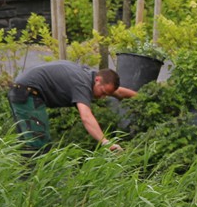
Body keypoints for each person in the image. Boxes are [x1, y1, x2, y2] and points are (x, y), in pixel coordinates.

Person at [8, 60, 137, 154]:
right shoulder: (82, 84)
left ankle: (29, 177)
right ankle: (30, 179)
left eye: (107, 94)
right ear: (97, 80)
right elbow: (86, 117)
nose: (103, 97)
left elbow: (119, 92)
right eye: (103, 92)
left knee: (31, 141)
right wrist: (105, 142)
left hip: (27, 91)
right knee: (37, 143)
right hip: (27, 93)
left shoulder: (91, 76)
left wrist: (142, 97)